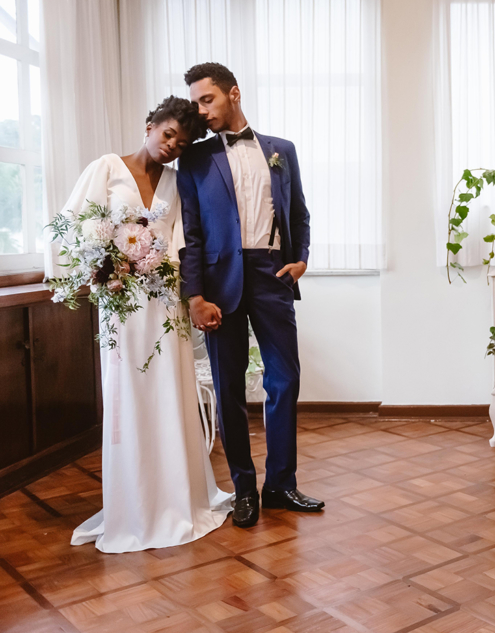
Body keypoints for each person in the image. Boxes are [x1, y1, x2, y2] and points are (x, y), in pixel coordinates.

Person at [64, 97, 234, 553]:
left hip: (165, 305)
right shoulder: (106, 169)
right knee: (128, 399)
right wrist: (105, 268)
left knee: (169, 394)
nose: (173, 146)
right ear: (149, 126)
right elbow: (77, 226)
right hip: (121, 306)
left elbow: (184, 242)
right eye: (168, 135)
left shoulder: (180, 184)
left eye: (182, 142)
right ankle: (133, 505)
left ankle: (180, 497)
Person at [177, 62, 323, 528]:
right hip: (221, 282)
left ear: (233, 94)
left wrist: (300, 258)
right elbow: (192, 235)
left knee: (285, 380)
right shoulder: (195, 159)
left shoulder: (282, 151)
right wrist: (194, 296)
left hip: (272, 273)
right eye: (196, 102)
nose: (201, 111)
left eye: (208, 100)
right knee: (228, 387)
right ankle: (244, 488)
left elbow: (298, 210)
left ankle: (280, 483)